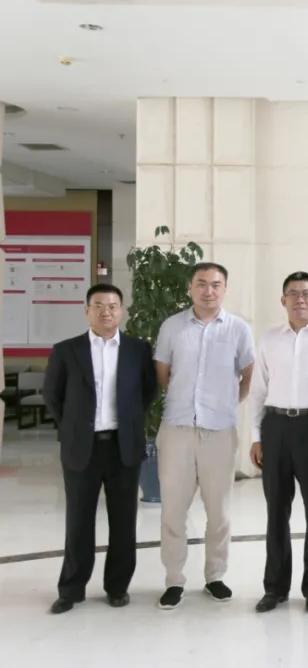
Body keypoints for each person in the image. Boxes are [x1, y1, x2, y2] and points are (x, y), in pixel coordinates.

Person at [42, 284, 157, 614]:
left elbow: (148, 391)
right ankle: (71, 589)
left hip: (123, 446)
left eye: (113, 305)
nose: (106, 311)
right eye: (99, 305)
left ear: (121, 310)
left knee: (124, 521)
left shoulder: (137, 349)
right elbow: (53, 395)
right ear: (87, 311)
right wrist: (76, 426)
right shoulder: (66, 350)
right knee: (78, 520)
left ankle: (117, 586)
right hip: (83, 447)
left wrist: (128, 422)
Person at [153, 262, 256, 610]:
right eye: (201, 284)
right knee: (172, 511)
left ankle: (215, 576)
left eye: (215, 284)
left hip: (219, 432)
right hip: (177, 429)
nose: (208, 291)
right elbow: (163, 373)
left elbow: (249, 376)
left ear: (224, 289)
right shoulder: (172, 326)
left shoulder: (239, 329)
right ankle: (174, 580)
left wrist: (224, 405)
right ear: (190, 288)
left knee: (219, 511)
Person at [248, 272, 308, 614]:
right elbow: (257, 390)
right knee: (276, 510)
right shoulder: (269, 338)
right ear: (283, 300)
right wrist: (256, 436)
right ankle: (275, 588)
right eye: (293, 293)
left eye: (306, 294)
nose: (300, 299)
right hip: (275, 427)